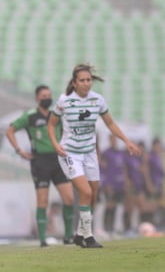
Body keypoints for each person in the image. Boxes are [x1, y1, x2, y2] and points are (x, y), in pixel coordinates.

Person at [47, 63, 140, 248]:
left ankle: (80, 234)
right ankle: (88, 237)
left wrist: (127, 141)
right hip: (70, 153)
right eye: (82, 80)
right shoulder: (65, 100)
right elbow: (51, 124)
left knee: (94, 195)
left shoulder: (97, 100)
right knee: (86, 192)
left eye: (89, 80)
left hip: (89, 152)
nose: (87, 83)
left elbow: (110, 123)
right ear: (74, 83)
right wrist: (55, 144)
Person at [6, 85, 75, 247]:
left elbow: (66, 133)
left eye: (49, 95)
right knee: (42, 200)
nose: (47, 98)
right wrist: (19, 150)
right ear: (37, 98)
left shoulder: (55, 115)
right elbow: (10, 130)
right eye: (44, 95)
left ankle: (68, 236)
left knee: (69, 198)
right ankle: (43, 239)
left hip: (58, 160)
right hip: (40, 162)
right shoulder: (30, 116)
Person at [100, 134, 127, 235]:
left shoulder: (120, 153)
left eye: (115, 139)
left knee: (117, 206)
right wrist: (106, 183)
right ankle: (106, 228)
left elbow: (123, 168)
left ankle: (114, 228)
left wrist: (125, 181)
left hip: (119, 184)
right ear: (109, 140)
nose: (114, 141)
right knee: (109, 205)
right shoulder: (106, 153)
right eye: (112, 139)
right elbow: (103, 169)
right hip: (110, 184)